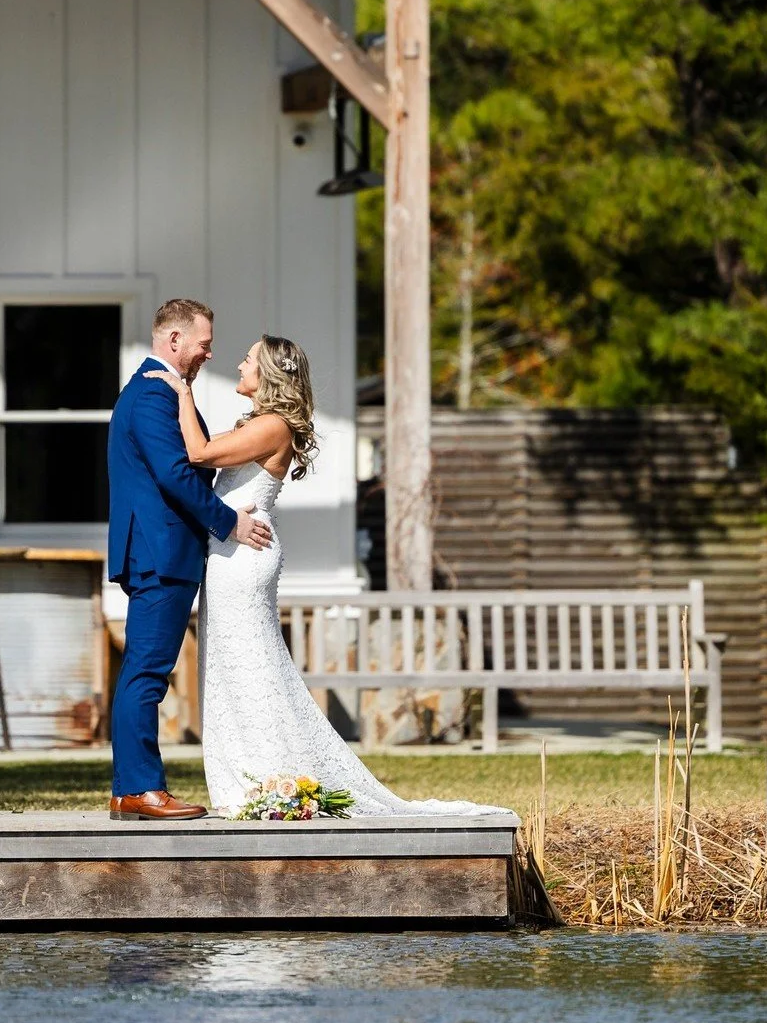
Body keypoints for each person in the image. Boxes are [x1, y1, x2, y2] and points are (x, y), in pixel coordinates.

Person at [148, 333, 503, 817]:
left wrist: (183, 390)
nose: (238, 364)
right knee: (237, 669)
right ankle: (257, 777)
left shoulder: (273, 426)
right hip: (231, 552)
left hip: (245, 557)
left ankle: (270, 775)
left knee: (254, 668)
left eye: (248, 360)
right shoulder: (262, 422)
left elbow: (200, 453)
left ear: (268, 374)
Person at [106, 299, 272, 820]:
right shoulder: (154, 395)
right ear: (174, 341)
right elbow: (177, 475)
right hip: (160, 553)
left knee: (147, 670)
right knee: (147, 672)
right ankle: (137, 787)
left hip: (164, 551)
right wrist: (230, 522)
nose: (208, 353)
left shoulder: (159, 392)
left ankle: (131, 788)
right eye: (203, 344)